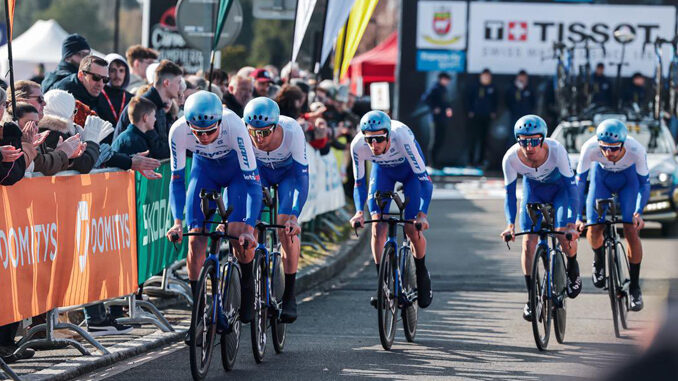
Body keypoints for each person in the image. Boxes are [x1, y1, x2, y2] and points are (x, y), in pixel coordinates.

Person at [164, 91, 262, 343]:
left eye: (209, 131)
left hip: (237, 175)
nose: (204, 137)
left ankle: (248, 282)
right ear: (188, 125)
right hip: (204, 172)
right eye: (198, 132)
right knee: (195, 238)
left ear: (219, 122)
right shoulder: (177, 131)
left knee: (239, 232)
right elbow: (177, 181)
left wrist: (250, 228)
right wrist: (177, 222)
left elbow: (252, 185)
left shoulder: (235, 125)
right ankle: (198, 316)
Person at [500, 115, 581, 321]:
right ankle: (531, 298)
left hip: (559, 191)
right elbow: (510, 195)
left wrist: (573, 222)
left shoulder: (556, 150)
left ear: (543, 139)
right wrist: (510, 225)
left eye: (534, 140)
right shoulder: (510, 158)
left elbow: (572, 190)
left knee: (563, 232)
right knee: (528, 242)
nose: (529, 146)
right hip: (534, 191)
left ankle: (572, 265)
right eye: (523, 141)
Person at [349, 110, 433, 309]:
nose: (374, 145)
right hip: (383, 173)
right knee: (378, 226)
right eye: (370, 140)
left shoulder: (401, 136)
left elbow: (425, 181)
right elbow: (359, 183)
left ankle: (422, 273)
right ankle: (384, 286)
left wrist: (422, 214)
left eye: (379, 139)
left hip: (411, 173)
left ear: (388, 134)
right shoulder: (357, 145)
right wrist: (359, 212)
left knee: (412, 229)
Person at [243, 97, 309, 322]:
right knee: (248, 225)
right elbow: (238, 176)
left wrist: (294, 216)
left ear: (276, 127)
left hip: (288, 176)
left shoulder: (292, 131)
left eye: (264, 133)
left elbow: (302, 179)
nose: (258, 139)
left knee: (284, 227)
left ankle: (289, 294)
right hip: (259, 173)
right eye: (254, 133)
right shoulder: (244, 135)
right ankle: (249, 284)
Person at [575, 119, 649, 311]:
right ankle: (599, 259)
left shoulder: (636, 149)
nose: (609, 153)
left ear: (623, 144)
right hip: (602, 180)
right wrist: (577, 216)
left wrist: (638, 212)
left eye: (614, 149)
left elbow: (644, 184)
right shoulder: (589, 148)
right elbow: (580, 183)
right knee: (594, 226)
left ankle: (634, 287)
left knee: (630, 229)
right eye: (604, 149)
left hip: (628, 181)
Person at [114, 60, 184, 159]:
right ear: (167, 83)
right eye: (178, 82)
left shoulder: (158, 107)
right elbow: (157, 151)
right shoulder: (143, 107)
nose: (180, 87)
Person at [466, 68, 497, 167]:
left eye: (488, 76)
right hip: (475, 116)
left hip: (486, 117)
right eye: (484, 76)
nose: (486, 78)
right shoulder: (474, 87)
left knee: (484, 139)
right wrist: (470, 110)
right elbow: (468, 99)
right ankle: (470, 161)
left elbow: (495, 101)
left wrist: (493, 111)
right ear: (480, 77)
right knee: (473, 139)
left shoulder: (492, 88)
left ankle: (481, 161)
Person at [422, 72, 453, 168]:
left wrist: (448, 108)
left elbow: (445, 102)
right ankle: (431, 162)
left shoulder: (444, 89)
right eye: (446, 79)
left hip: (443, 118)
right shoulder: (435, 88)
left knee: (440, 139)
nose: (447, 82)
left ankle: (436, 161)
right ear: (441, 79)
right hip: (435, 119)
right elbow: (425, 98)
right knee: (435, 140)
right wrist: (434, 108)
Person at [99, 54, 134, 136]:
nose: (117, 75)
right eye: (113, 70)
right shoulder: (98, 95)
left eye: (121, 70)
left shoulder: (131, 98)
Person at [505, 70, 536, 147]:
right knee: (513, 136)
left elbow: (533, 102)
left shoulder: (529, 89)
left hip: (526, 117)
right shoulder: (512, 89)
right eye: (521, 77)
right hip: (515, 116)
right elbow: (507, 100)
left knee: (526, 136)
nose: (522, 79)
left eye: (524, 78)